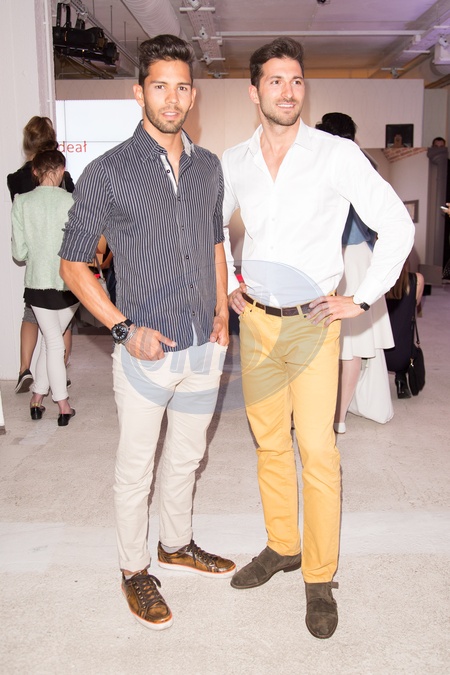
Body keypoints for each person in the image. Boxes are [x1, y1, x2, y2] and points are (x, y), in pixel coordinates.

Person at [222, 37, 415, 639]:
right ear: (254, 91)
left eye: (296, 80)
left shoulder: (336, 154)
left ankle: (320, 575)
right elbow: (210, 225)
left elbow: (398, 224)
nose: (288, 91)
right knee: (269, 443)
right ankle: (284, 545)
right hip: (257, 322)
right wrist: (228, 280)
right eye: (275, 81)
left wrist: (362, 297)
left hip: (312, 323)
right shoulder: (235, 160)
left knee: (318, 451)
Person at [59, 34, 235, 631]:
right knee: (136, 467)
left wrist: (221, 311)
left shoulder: (209, 166)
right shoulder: (106, 171)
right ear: (139, 92)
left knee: (188, 457)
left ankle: (176, 544)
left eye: (182, 87)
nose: (172, 98)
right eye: (160, 86)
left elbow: (215, 240)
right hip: (145, 351)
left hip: (204, 345)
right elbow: (73, 264)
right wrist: (122, 327)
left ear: (193, 95)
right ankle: (134, 569)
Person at [315, 112, 394, 433]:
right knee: (352, 343)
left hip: (341, 256)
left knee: (340, 344)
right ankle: (339, 417)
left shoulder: (324, 161)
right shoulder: (365, 163)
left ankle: (332, 415)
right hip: (359, 256)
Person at [7, 116, 75, 394]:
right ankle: (59, 372)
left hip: (36, 264)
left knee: (30, 315)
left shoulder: (16, 180)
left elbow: (20, 229)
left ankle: (24, 368)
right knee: (61, 328)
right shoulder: (62, 175)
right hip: (61, 266)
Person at [385, 259, 425, 398]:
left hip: (378, 355)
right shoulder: (417, 280)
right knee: (403, 331)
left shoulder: (379, 281)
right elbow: (415, 304)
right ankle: (401, 379)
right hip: (403, 356)